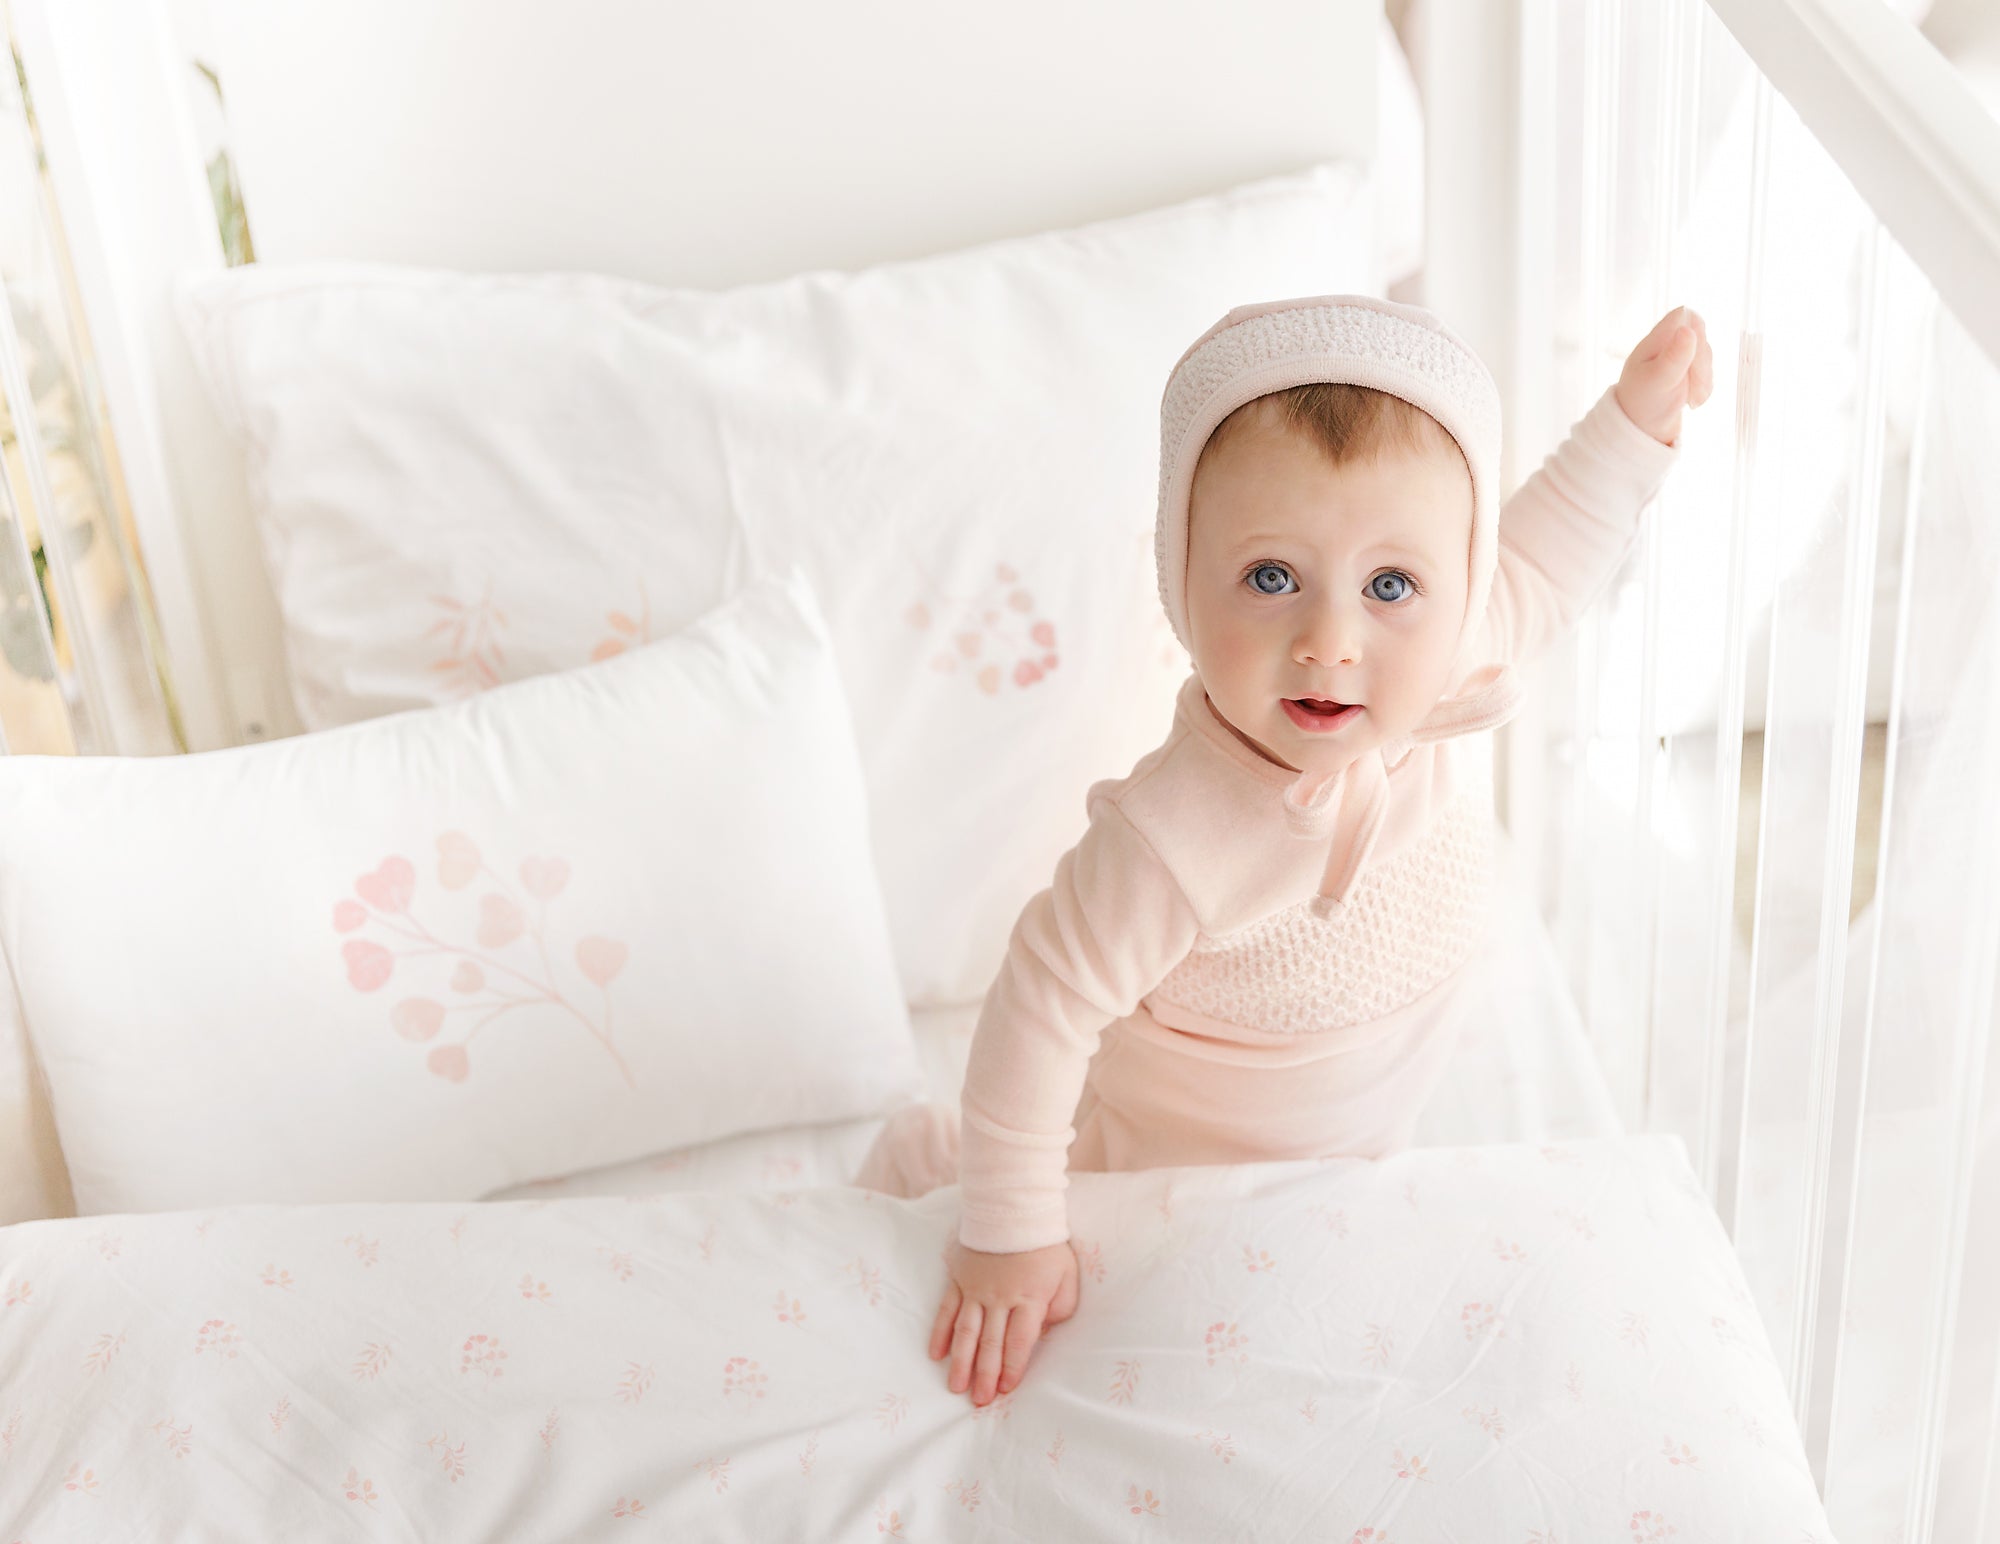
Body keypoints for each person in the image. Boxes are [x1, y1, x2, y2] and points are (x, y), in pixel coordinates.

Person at [854, 294, 1713, 1407]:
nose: (1329, 641)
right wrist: (1009, 1233)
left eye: (1389, 586)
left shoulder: (1450, 655)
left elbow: (1547, 554)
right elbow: (1040, 1004)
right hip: (1176, 1172)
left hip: (1358, 1140)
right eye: (1270, 578)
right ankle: (924, 1172)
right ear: (1180, 577)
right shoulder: (1174, 832)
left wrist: (1632, 424)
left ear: (1454, 588)